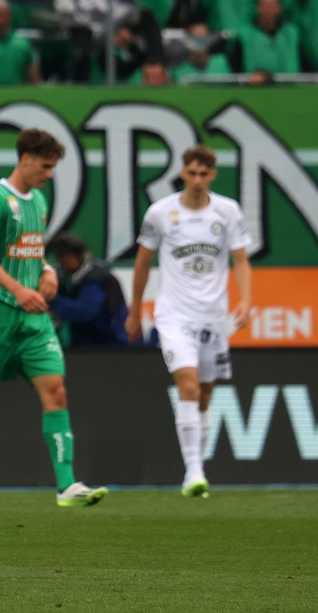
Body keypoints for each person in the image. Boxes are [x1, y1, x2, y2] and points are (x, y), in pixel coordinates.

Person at [0, 128, 109, 509]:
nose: (49, 174)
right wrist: (18, 289)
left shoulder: (39, 202)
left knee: (56, 390)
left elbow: (30, 251)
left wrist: (45, 270)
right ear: (25, 159)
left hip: (34, 319)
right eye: (45, 166)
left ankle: (66, 485)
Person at [126, 145, 252, 497]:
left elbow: (240, 260)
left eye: (204, 174)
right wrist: (135, 311)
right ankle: (193, 471)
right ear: (182, 173)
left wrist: (246, 301)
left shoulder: (228, 211)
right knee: (190, 387)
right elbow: (142, 263)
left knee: (206, 394)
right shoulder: (160, 212)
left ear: (213, 175)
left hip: (213, 316)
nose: (197, 180)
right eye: (191, 173)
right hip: (173, 315)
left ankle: (198, 466)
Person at [46, 232, 129, 346]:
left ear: (78, 256)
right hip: (85, 343)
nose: (63, 265)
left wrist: (50, 296)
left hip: (106, 347)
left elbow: (83, 312)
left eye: (65, 260)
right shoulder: (71, 278)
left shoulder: (96, 278)